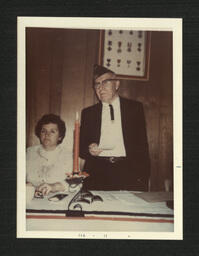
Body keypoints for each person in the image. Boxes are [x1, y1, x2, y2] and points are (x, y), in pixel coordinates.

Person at [80, 64, 150, 191]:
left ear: (116, 84)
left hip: (127, 171)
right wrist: (89, 148)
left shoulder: (134, 109)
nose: (100, 88)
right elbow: (81, 148)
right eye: (97, 84)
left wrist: (144, 178)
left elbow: (142, 146)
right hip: (97, 171)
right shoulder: (88, 113)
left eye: (105, 83)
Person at [26, 114, 73, 196]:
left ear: (60, 137)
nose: (47, 134)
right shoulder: (29, 153)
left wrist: (54, 187)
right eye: (43, 131)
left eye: (52, 131)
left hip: (57, 200)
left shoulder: (68, 155)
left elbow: (76, 183)